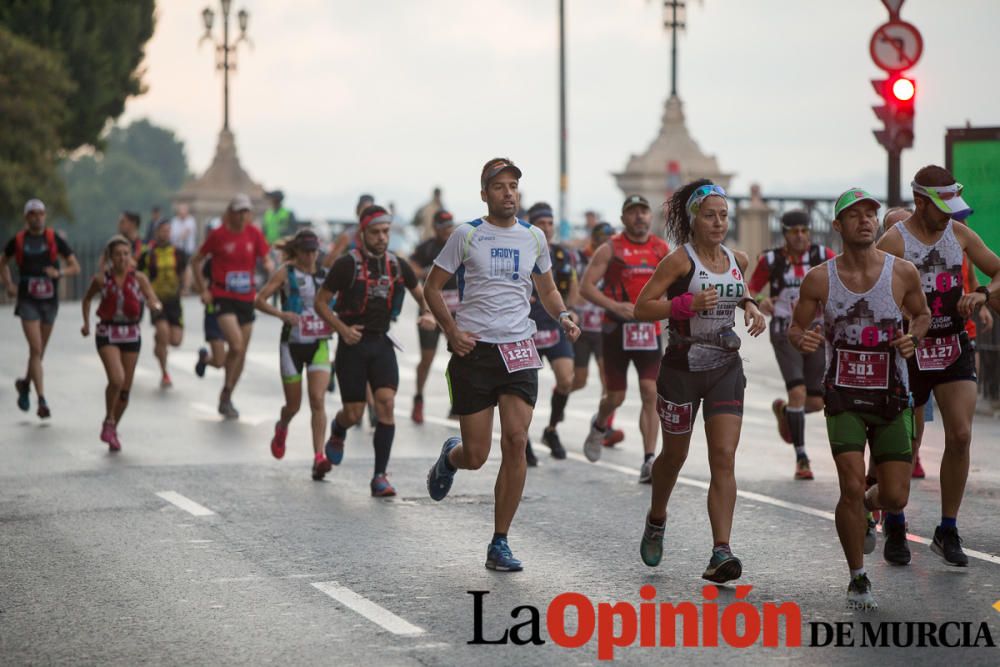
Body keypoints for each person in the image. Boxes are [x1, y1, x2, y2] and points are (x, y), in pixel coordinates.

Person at [424, 158, 580, 571]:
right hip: (474, 351)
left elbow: (547, 290)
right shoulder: (467, 234)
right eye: (499, 187)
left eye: (513, 186)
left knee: (515, 440)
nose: (508, 193)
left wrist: (563, 315)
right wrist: (451, 331)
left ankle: (500, 541)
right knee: (476, 455)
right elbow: (432, 287)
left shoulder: (533, 237)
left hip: (518, 349)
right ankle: (451, 457)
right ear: (484, 194)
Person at [790, 187, 929, 609]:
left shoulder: (902, 272)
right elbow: (795, 330)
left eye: (871, 214)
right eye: (855, 215)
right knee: (850, 486)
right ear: (838, 226)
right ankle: (858, 577)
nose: (866, 220)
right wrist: (806, 339)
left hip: (891, 396)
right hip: (844, 395)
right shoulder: (819, 278)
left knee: (895, 496)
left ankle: (873, 507)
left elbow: (922, 314)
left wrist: (913, 338)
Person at [632, 181, 765, 583]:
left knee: (723, 456)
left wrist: (752, 306)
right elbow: (642, 308)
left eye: (724, 215)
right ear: (693, 219)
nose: (719, 222)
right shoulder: (678, 261)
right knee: (674, 456)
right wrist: (685, 303)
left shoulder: (738, 257)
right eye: (710, 215)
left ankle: (720, 551)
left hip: (725, 366)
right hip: (682, 368)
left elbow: (739, 291)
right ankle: (657, 518)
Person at [876, 165, 1000, 567]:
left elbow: (998, 270)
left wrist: (981, 293)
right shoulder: (894, 241)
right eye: (941, 207)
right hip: (909, 352)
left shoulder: (958, 234)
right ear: (919, 201)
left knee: (961, 435)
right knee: (907, 449)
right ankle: (894, 520)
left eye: (952, 206)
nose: (949, 214)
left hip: (951, 346)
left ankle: (947, 528)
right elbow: (870, 287)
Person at [315, 205, 435, 496]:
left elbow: (422, 294)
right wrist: (342, 329)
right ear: (363, 233)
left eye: (386, 232)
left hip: (381, 343)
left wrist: (429, 313)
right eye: (376, 232)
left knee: (386, 404)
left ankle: (380, 476)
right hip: (352, 344)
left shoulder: (397, 265)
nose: (382, 238)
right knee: (354, 413)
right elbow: (320, 302)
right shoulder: (347, 265)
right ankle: (338, 429)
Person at [579, 194, 670, 482]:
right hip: (615, 330)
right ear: (623, 219)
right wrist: (614, 306)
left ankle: (648, 460)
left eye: (643, 211)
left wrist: (665, 308)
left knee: (650, 392)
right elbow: (586, 287)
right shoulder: (611, 249)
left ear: (650, 217)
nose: (639, 217)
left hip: (649, 331)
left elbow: (676, 283)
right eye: (633, 212)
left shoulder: (661, 249)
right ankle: (600, 423)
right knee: (615, 396)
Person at [747, 210, 835, 480]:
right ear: (784, 233)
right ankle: (802, 457)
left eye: (804, 231)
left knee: (816, 402)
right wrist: (761, 299)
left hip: (816, 331)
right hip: (784, 331)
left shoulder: (824, 256)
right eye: (794, 231)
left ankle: (786, 412)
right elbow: (750, 287)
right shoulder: (771, 260)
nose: (800, 236)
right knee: (797, 392)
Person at [255, 230, 336, 480]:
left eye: (315, 251)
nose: (312, 256)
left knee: (317, 400)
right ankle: (282, 426)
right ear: (298, 252)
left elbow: (339, 302)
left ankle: (319, 457)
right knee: (294, 405)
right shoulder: (286, 272)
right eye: (307, 252)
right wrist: (281, 315)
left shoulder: (325, 273)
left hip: (319, 343)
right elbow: (259, 300)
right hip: (291, 343)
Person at [190, 194, 274, 419]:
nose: (243, 215)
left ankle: (227, 394)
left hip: (246, 298)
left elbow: (265, 256)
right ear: (231, 212)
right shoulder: (218, 235)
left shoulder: (254, 233)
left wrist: (268, 264)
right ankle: (220, 377)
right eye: (239, 211)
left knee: (241, 353)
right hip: (223, 296)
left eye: (246, 211)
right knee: (235, 346)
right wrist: (203, 289)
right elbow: (196, 260)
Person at [81, 236, 162, 451]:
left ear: (131, 257)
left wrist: (155, 305)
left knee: (125, 390)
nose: (122, 258)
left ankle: (112, 428)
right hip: (108, 331)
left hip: (131, 333)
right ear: (110, 258)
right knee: (117, 379)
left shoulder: (139, 278)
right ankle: (108, 419)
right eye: (118, 254)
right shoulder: (101, 280)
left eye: (126, 254)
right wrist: (86, 324)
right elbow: (87, 299)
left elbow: (152, 297)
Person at [2, 197, 81, 418]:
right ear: (26, 217)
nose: (37, 217)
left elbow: (76, 266)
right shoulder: (18, 240)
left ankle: (25, 384)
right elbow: (3, 262)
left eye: (41, 213)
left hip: (49, 300)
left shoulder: (53, 238)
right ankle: (42, 400)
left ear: (45, 216)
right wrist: (8, 284)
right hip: (27, 300)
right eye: (33, 214)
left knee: (39, 352)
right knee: (36, 349)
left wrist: (60, 273)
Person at [526, 201, 580, 462]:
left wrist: (571, 310)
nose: (547, 228)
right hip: (526, 328)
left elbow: (573, 285)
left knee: (566, 379)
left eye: (550, 223)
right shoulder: (521, 251)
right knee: (526, 390)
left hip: (554, 325)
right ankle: (521, 438)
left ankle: (551, 429)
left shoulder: (562, 254)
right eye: (541, 224)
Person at [572, 221, 625, 447]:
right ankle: (561, 393)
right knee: (578, 381)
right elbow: (572, 291)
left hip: (603, 328)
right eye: (603, 240)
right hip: (582, 328)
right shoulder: (578, 259)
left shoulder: (614, 260)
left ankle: (605, 427)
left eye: (610, 240)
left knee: (608, 380)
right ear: (594, 239)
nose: (606, 244)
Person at [409, 209, 458, 424]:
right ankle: (419, 398)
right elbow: (410, 267)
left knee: (459, 357)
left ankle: (457, 403)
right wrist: (424, 272)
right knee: (427, 359)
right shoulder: (426, 247)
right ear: (436, 228)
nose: (447, 231)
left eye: (450, 227)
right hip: (430, 310)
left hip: (455, 310)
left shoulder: (458, 245)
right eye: (443, 227)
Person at [138, 219, 189, 388]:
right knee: (163, 332)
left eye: (168, 230)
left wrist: (185, 288)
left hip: (174, 301)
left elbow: (185, 270)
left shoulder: (178, 252)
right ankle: (164, 373)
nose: (165, 233)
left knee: (175, 341)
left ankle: (159, 342)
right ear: (156, 232)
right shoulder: (148, 255)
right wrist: (146, 297)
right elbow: (139, 277)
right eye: (162, 230)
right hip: (156, 300)